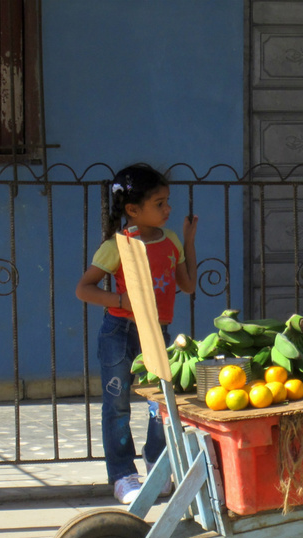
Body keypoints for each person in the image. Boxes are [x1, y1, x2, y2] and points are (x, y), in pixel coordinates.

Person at [75, 164, 198, 504]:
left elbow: (187, 285)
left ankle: (156, 463)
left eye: (167, 201)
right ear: (132, 210)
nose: (167, 209)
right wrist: (120, 300)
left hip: (157, 332)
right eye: (159, 203)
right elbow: (84, 289)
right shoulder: (118, 246)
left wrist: (188, 241)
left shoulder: (171, 240)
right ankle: (122, 475)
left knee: (160, 404)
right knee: (117, 405)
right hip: (119, 331)